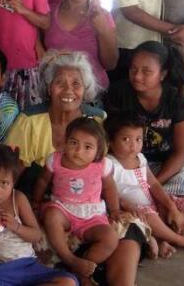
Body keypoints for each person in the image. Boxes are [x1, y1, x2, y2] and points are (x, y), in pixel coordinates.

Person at [104, 41, 184, 230]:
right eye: (133, 69)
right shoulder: (118, 93)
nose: (137, 76)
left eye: (147, 71)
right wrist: (142, 179)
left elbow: (181, 154)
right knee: (158, 215)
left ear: (163, 74)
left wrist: (154, 184)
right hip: (134, 162)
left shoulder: (177, 101)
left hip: (173, 167)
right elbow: (112, 137)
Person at [0, 144, 76, 286]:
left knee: (68, 281)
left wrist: (16, 227)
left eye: (4, 183)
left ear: (13, 183)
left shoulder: (18, 199)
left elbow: (36, 235)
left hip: (27, 266)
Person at [105, 113, 184, 257]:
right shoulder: (109, 164)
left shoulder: (141, 159)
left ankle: (163, 235)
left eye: (138, 139)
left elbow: (154, 185)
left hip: (153, 203)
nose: (133, 145)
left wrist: (172, 208)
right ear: (110, 142)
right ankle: (181, 240)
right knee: (149, 218)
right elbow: (104, 192)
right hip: (134, 210)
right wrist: (126, 205)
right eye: (126, 139)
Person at [32, 117, 120, 285]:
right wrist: (36, 201)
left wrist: (115, 209)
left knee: (111, 238)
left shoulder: (102, 165)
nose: (78, 151)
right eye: (73, 143)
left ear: (98, 151)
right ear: (64, 142)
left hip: (92, 214)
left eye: (88, 147)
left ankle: (84, 267)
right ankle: (69, 258)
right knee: (51, 216)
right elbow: (42, 181)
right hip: (63, 208)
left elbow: (110, 188)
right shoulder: (55, 160)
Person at [5, 51, 105, 194]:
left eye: (76, 84)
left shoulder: (98, 120)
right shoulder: (29, 121)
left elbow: (107, 172)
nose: (68, 90)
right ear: (49, 87)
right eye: (59, 83)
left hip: (85, 202)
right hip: (34, 198)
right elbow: (10, 171)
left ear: (84, 89)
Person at [44, 0, 117, 91]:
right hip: (56, 91)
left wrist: (103, 30)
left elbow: (110, 64)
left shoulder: (102, 16)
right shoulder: (48, 11)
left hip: (92, 91)